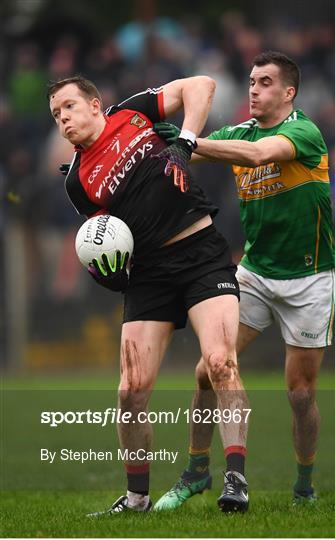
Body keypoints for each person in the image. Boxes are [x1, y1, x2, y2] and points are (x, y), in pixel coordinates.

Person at [47, 74, 249, 514]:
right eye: (56, 114)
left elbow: (202, 85)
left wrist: (186, 143)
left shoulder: (133, 112)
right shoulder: (77, 182)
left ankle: (236, 480)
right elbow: (104, 238)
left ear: (97, 105)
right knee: (130, 391)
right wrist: (108, 273)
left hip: (201, 255)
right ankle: (137, 497)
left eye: (69, 106)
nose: (63, 118)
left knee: (221, 363)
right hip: (150, 275)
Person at [153, 50, 335, 510]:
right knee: (205, 372)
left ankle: (304, 485)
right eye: (251, 80)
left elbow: (255, 157)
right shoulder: (237, 133)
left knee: (299, 393)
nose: (254, 88)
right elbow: (186, 153)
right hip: (255, 272)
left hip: (309, 279)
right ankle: (196, 471)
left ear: (288, 92)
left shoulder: (303, 132)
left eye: (266, 82)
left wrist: (189, 142)